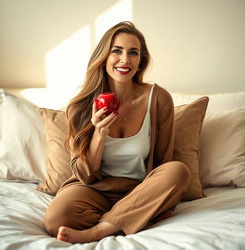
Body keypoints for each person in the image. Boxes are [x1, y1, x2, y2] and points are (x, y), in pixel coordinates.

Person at [44, 21, 191, 244]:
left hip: (140, 190)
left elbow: (163, 160)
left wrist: (156, 195)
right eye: (117, 51)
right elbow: (85, 174)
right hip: (94, 190)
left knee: (178, 171)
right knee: (56, 220)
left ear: (141, 61)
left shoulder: (158, 98)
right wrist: (99, 133)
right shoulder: (80, 106)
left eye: (133, 53)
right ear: (103, 57)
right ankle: (133, 219)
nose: (125, 60)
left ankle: (97, 231)